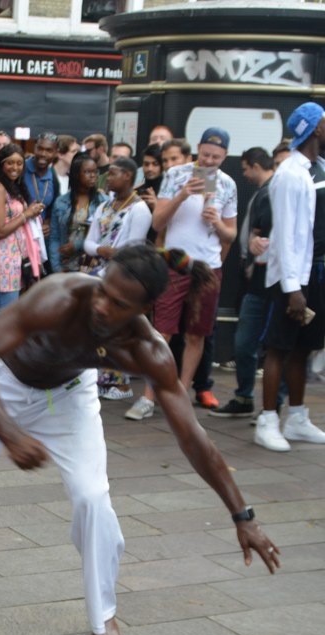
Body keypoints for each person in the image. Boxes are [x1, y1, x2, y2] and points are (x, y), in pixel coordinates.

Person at [0, 244, 280, 635]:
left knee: (93, 498)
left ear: (145, 309)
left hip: (69, 396)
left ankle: (103, 612)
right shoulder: (60, 296)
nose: (101, 304)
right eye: (102, 290)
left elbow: (193, 437)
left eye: (118, 303)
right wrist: (10, 435)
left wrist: (243, 516)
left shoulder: (147, 351)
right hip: (2, 379)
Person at [129, 128, 237, 421]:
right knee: (162, 330)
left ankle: (181, 394)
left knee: (196, 334)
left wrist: (217, 223)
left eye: (216, 157)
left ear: (225, 155)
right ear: (197, 150)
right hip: (175, 263)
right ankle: (148, 396)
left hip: (208, 266)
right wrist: (182, 195)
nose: (210, 161)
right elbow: (158, 219)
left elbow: (230, 234)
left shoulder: (228, 184)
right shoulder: (176, 175)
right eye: (205, 155)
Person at [255, 103, 325, 451]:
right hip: (290, 277)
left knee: (303, 347)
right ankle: (267, 421)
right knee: (278, 348)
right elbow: (282, 234)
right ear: (316, 129)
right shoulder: (289, 174)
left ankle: (296, 418)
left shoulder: (311, 170)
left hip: (310, 273)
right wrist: (293, 288)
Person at [210, 147, 277, 419]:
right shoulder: (263, 192)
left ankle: (274, 404)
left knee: (273, 347)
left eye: (246, 168)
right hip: (255, 279)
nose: (245, 173)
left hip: (270, 279)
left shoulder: (273, 191)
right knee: (244, 342)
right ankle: (245, 396)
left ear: (254, 165)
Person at [84, 157, 154, 401]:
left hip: (120, 278)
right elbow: (89, 242)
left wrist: (106, 268)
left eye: (113, 174)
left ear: (128, 176)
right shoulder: (104, 207)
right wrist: (100, 251)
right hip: (97, 272)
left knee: (115, 329)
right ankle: (98, 380)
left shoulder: (139, 209)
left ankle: (119, 384)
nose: (108, 178)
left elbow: (132, 250)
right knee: (96, 327)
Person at [0, 143, 45, 310]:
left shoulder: (13, 188)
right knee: (6, 316)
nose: (15, 167)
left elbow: (15, 219)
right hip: (3, 259)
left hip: (15, 257)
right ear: (1, 164)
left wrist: (31, 212)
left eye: (19, 163)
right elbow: (0, 230)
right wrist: (26, 214)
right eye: (10, 162)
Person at [48, 152, 104, 274]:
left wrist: (79, 245)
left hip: (93, 268)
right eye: (88, 172)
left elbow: (105, 238)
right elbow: (54, 238)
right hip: (65, 268)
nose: (94, 175)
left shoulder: (104, 202)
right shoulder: (61, 202)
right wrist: (57, 268)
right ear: (76, 174)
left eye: (95, 171)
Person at [138, 143, 164, 213]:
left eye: (155, 164)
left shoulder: (167, 192)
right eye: (146, 164)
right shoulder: (136, 192)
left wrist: (156, 205)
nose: (150, 168)